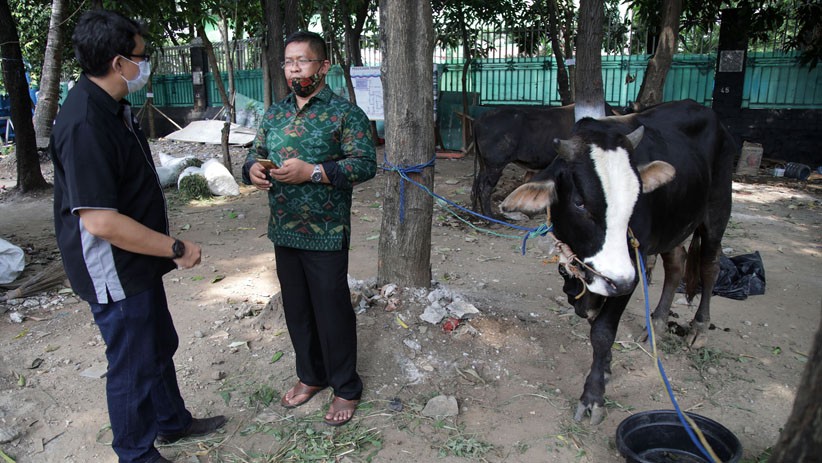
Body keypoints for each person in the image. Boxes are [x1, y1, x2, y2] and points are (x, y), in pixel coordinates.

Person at [50, 10, 225, 463]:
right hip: (112, 265)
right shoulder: (85, 122)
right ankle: (136, 454)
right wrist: (174, 248)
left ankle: (172, 422)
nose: (146, 65)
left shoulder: (111, 106)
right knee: (132, 363)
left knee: (158, 343)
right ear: (118, 63)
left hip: (135, 259)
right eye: (141, 57)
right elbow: (101, 222)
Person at [243, 31, 376, 427]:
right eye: (288, 62)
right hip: (284, 229)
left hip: (326, 232)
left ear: (323, 66)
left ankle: (346, 386)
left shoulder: (345, 114)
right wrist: (252, 170)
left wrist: (313, 172)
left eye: (302, 61)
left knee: (332, 311)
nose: (294, 69)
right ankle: (311, 375)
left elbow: (364, 164)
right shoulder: (275, 113)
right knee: (298, 310)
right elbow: (255, 153)